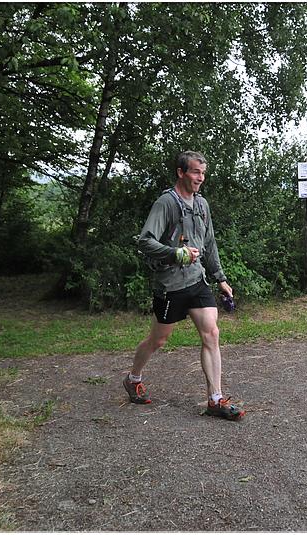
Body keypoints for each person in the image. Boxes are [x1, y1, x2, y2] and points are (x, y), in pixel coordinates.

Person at [124, 150, 245, 421]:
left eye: (203, 173)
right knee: (159, 339)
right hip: (170, 285)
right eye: (195, 172)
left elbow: (209, 244)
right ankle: (133, 378)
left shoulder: (202, 205)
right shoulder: (166, 203)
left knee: (211, 333)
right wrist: (175, 253)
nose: (200, 178)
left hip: (197, 280)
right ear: (181, 172)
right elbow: (145, 241)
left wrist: (221, 278)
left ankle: (215, 398)